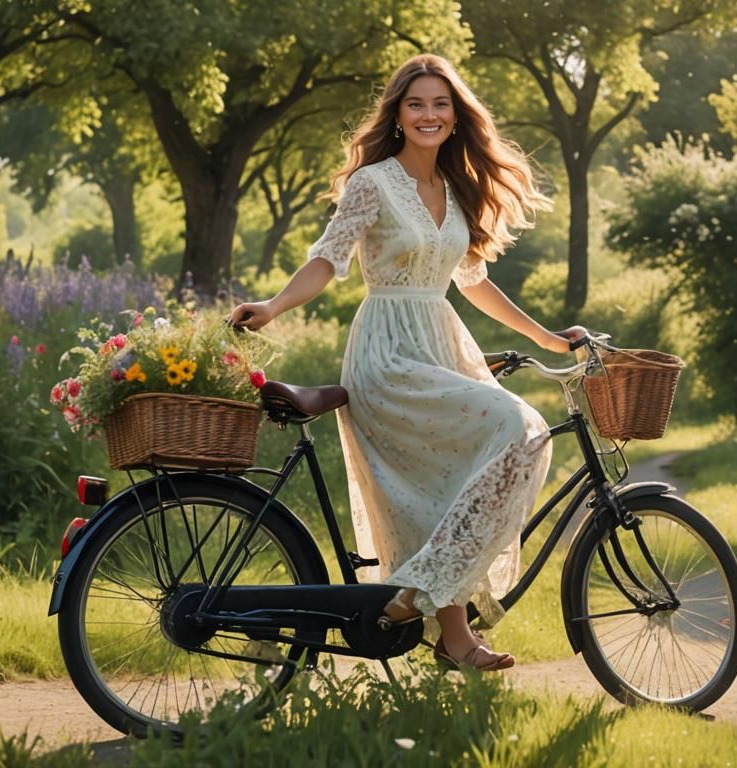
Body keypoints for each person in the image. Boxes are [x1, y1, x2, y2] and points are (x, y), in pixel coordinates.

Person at [230, 54, 584, 672]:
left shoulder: (455, 190)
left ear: (455, 117)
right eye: (416, 103)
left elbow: (472, 282)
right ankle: (417, 598)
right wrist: (275, 305)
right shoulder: (373, 182)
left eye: (440, 104)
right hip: (388, 354)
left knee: (459, 484)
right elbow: (328, 257)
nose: (428, 114)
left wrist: (551, 339)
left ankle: (454, 638)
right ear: (397, 113)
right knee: (517, 425)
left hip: (441, 343)